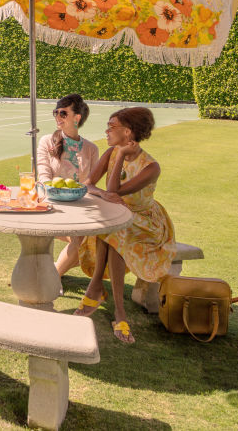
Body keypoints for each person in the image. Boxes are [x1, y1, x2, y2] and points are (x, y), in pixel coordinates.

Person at [74, 107, 176, 345]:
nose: (107, 131)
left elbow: (113, 191)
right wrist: (101, 191)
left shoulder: (151, 167)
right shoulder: (110, 151)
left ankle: (100, 293)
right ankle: (111, 304)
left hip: (145, 223)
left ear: (128, 132)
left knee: (112, 232)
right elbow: (88, 185)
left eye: (112, 126)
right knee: (112, 230)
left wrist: (119, 157)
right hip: (117, 220)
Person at [36, 93, 99, 276]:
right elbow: (44, 176)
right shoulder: (47, 141)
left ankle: (52, 274)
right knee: (83, 242)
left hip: (79, 209)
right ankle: (54, 278)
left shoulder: (91, 149)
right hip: (50, 206)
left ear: (76, 118)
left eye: (63, 113)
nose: (57, 117)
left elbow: (91, 184)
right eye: (56, 112)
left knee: (91, 242)